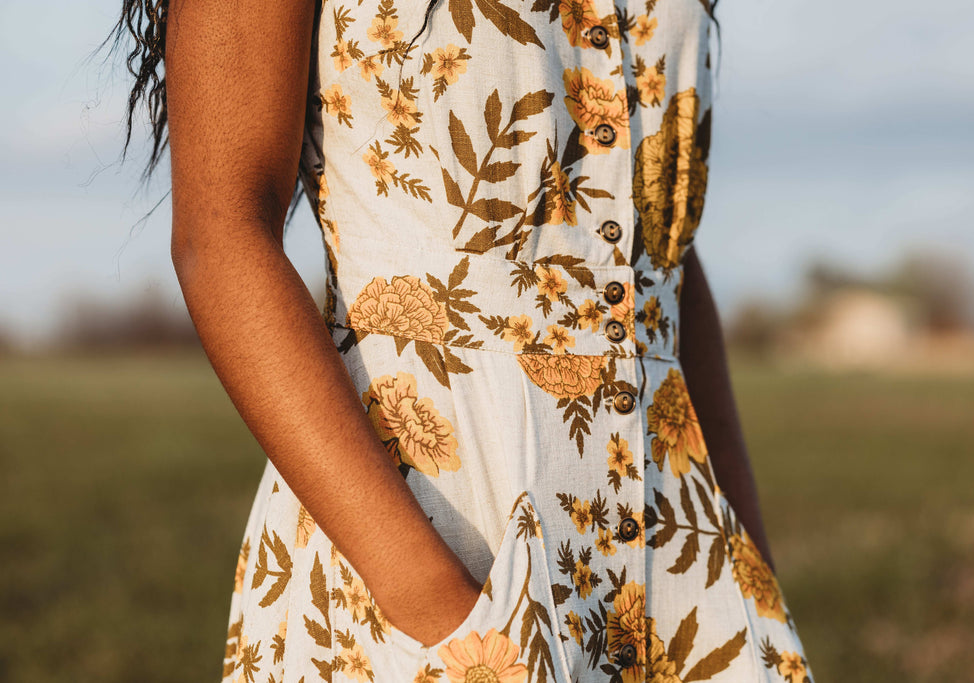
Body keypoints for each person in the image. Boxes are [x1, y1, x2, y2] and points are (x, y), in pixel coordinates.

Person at [108, 0, 815, 681]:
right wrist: (441, 613)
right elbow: (221, 233)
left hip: (685, 571)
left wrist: (752, 566)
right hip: (431, 551)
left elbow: (658, 262)